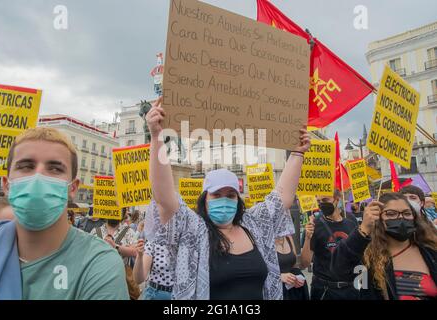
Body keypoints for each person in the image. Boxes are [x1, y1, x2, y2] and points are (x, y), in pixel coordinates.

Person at [144, 98, 310, 300]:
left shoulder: (254, 225)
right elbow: (164, 199)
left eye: (230, 195)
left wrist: (297, 153)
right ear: (204, 199)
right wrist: (156, 137)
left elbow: (282, 197)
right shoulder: (194, 229)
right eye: (216, 195)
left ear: (238, 200)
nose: (224, 200)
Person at [0, 127, 128, 300]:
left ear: (73, 188)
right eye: (26, 166)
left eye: (54, 169)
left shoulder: (99, 264)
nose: (38, 177)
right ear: (7, 185)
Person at [331, 193, 437, 300]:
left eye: (407, 213)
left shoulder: (430, 251)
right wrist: (363, 229)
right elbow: (339, 270)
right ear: (378, 218)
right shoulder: (368, 257)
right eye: (391, 214)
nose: (400, 217)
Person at [300, 191, 360, 300]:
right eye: (319, 201)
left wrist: (363, 286)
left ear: (337, 199)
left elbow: (359, 255)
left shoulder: (351, 220)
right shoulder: (314, 225)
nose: (321, 204)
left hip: (350, 290)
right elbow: (304, 263)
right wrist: (308, 238)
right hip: (324, 291)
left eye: (325, 200)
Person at [91, 214, 140, 300]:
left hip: (121, 278)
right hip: (99, 278)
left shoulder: (128, 231)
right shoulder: (95, 231)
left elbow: (135, 251)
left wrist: (116, 246)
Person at [276, 235, 309, 300]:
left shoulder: (288, 237)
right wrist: (279, 276)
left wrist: (297, 278)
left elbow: (294, 264)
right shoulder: (262, 238)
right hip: (277, 290)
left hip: (293, 289)